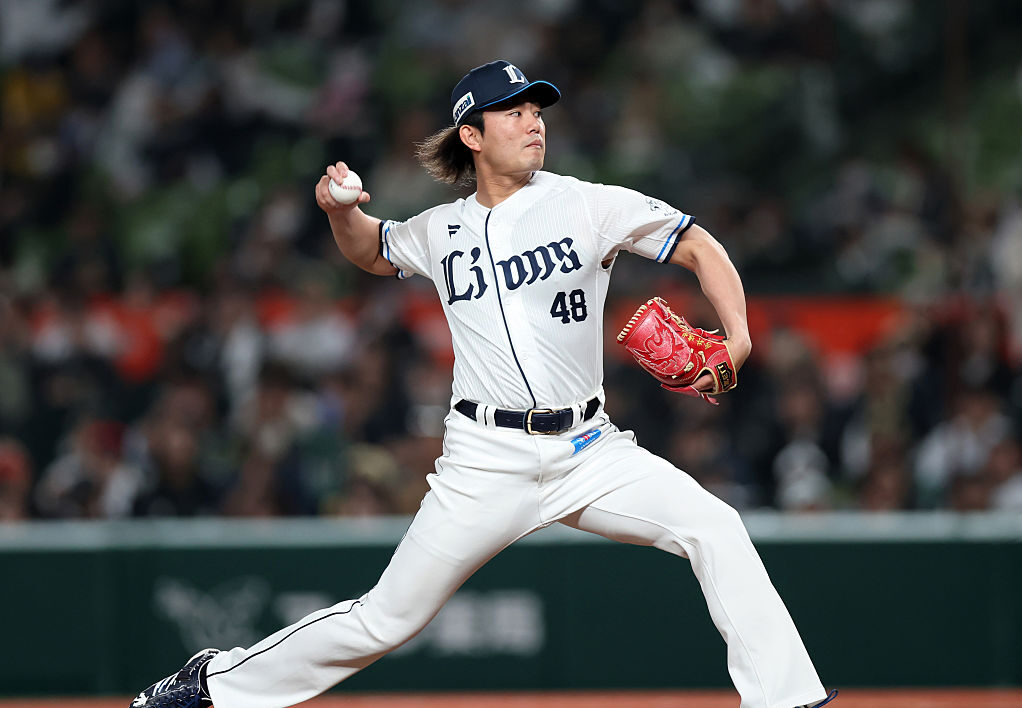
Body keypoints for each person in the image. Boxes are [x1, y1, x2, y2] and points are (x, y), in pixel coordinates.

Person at [131, 60, 837, 708]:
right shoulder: (441, 230)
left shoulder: (587, 203)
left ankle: (787, 701)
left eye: (537, 110)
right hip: (484, 460)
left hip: (592, 449)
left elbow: (697, 244)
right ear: (471, 133)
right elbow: (373, 250)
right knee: (385, 619)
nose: (534, 122)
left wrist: (738, 336)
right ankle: (213, 684)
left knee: (714, 525)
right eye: (513, 112)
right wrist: (341, 212)